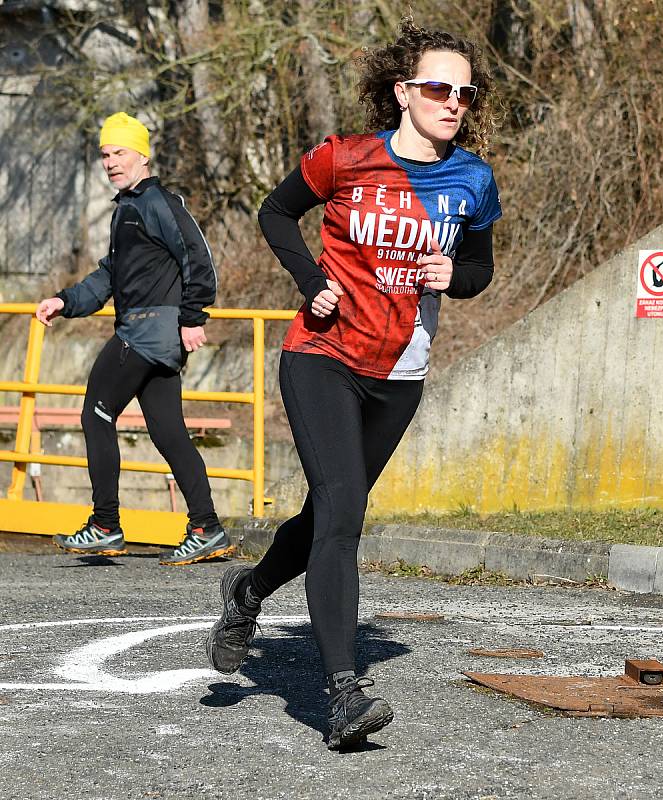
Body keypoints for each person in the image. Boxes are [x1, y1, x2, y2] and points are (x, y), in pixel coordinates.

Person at [206, 19, 502, 749]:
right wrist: (312, 282)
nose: (454, 100)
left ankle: (248, 591)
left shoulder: (473, 179)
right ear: (404, 93)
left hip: (401, 373)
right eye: (439, 87)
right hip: (323, 357)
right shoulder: (346, 159)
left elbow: (480, 270)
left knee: (324, 518)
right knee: (342, 514)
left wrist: (452, 278)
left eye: (464, 91)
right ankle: (343, 695)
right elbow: (275, 213)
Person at [35, 112, 234, 567]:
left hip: (147, 332)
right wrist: (65, 301)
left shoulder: (158, 202)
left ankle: (105, 524)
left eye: (119, 152)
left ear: (143, 156)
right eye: (105, 154)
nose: (110, 162)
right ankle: (207, 528)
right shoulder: (127, 208)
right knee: (169, 434)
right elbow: (111, 273)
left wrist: (193, 316)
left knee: (95, 414)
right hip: (151, 335)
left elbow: (198, 258)